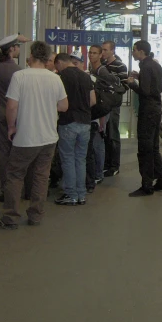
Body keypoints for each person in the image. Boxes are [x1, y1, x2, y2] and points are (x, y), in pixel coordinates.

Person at [0, 41, 68, 230]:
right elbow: (63, 106)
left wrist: (10, 127)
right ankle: (35, 215)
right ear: (47, 57)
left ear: (32, 55)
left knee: (15, 175)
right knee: (41, 176)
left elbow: (11, 106)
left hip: (26, 136)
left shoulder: (20, 76)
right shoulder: (54, 78)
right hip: (49, 137)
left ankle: (11, 217)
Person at [0, 34, 31, 202]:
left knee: (4, 153)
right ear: (12, 49)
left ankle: (5, 190)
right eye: (17, 46)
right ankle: (24, 190)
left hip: (0, 113)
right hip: (18, 116)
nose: (19, 49)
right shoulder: (19, 72)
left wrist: (15, 36)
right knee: (22, 153)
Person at [54, 53, 95, 206]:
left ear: (59, 63)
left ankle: (71, 195)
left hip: (68, 121)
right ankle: (81, 194)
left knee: (68, 159)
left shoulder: (61, 77)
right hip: (85, 123)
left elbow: (59, 101)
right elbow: (93, 100)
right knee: (80, 159)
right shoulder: (86, 76)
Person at [127, 40, 162, 196]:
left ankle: (147, 185)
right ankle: (161, 180)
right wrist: (140, 77)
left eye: (134, 50)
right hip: (156, 109)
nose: (133, 52)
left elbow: (144, 91)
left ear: (141, 51)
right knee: (154, 147)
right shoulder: (155, 65)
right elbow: (158, 87)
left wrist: (131, 83)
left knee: (144, 147)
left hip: (147, 111)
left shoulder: (146, 67)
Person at [86, 45, 118, 192]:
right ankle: (98, 170)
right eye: (90, 52)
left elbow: (110, 91)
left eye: (94, 53)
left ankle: (98, 173)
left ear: (100, 56)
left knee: (98, 141)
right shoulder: (93, 70)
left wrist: (103, 115)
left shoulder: (102, 71)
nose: (91, 55)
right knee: (97, 141)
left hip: (101, 111)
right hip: (98, 110)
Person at [101, 40, 127, 177]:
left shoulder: (120, 66)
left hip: (113, 106)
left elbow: (123, 86)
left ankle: (114, 165)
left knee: (113, 133)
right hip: (102, 105)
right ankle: (106, 163)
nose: (103, 52)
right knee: (104, 134)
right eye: (102, 50)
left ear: (112, 50)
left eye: (105, 50)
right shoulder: (102, 64)